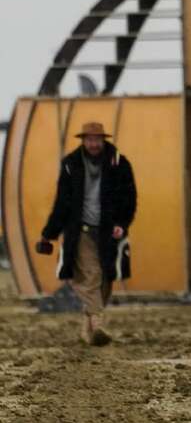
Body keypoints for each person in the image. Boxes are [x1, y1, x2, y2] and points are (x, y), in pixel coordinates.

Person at [40, 121, 137, 346]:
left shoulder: (120, 163)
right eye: (89, 139)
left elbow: (129, 198)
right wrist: (49, 233)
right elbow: (62, 202)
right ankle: (98, 324)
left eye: (97, 139)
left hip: (108, 231)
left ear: (104, 140)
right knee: (91, 274)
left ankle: (87, 330)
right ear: (83, 140)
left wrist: (122, 223)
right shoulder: (70, 165)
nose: (93, 144)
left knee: (106, 279)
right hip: (79, 230)